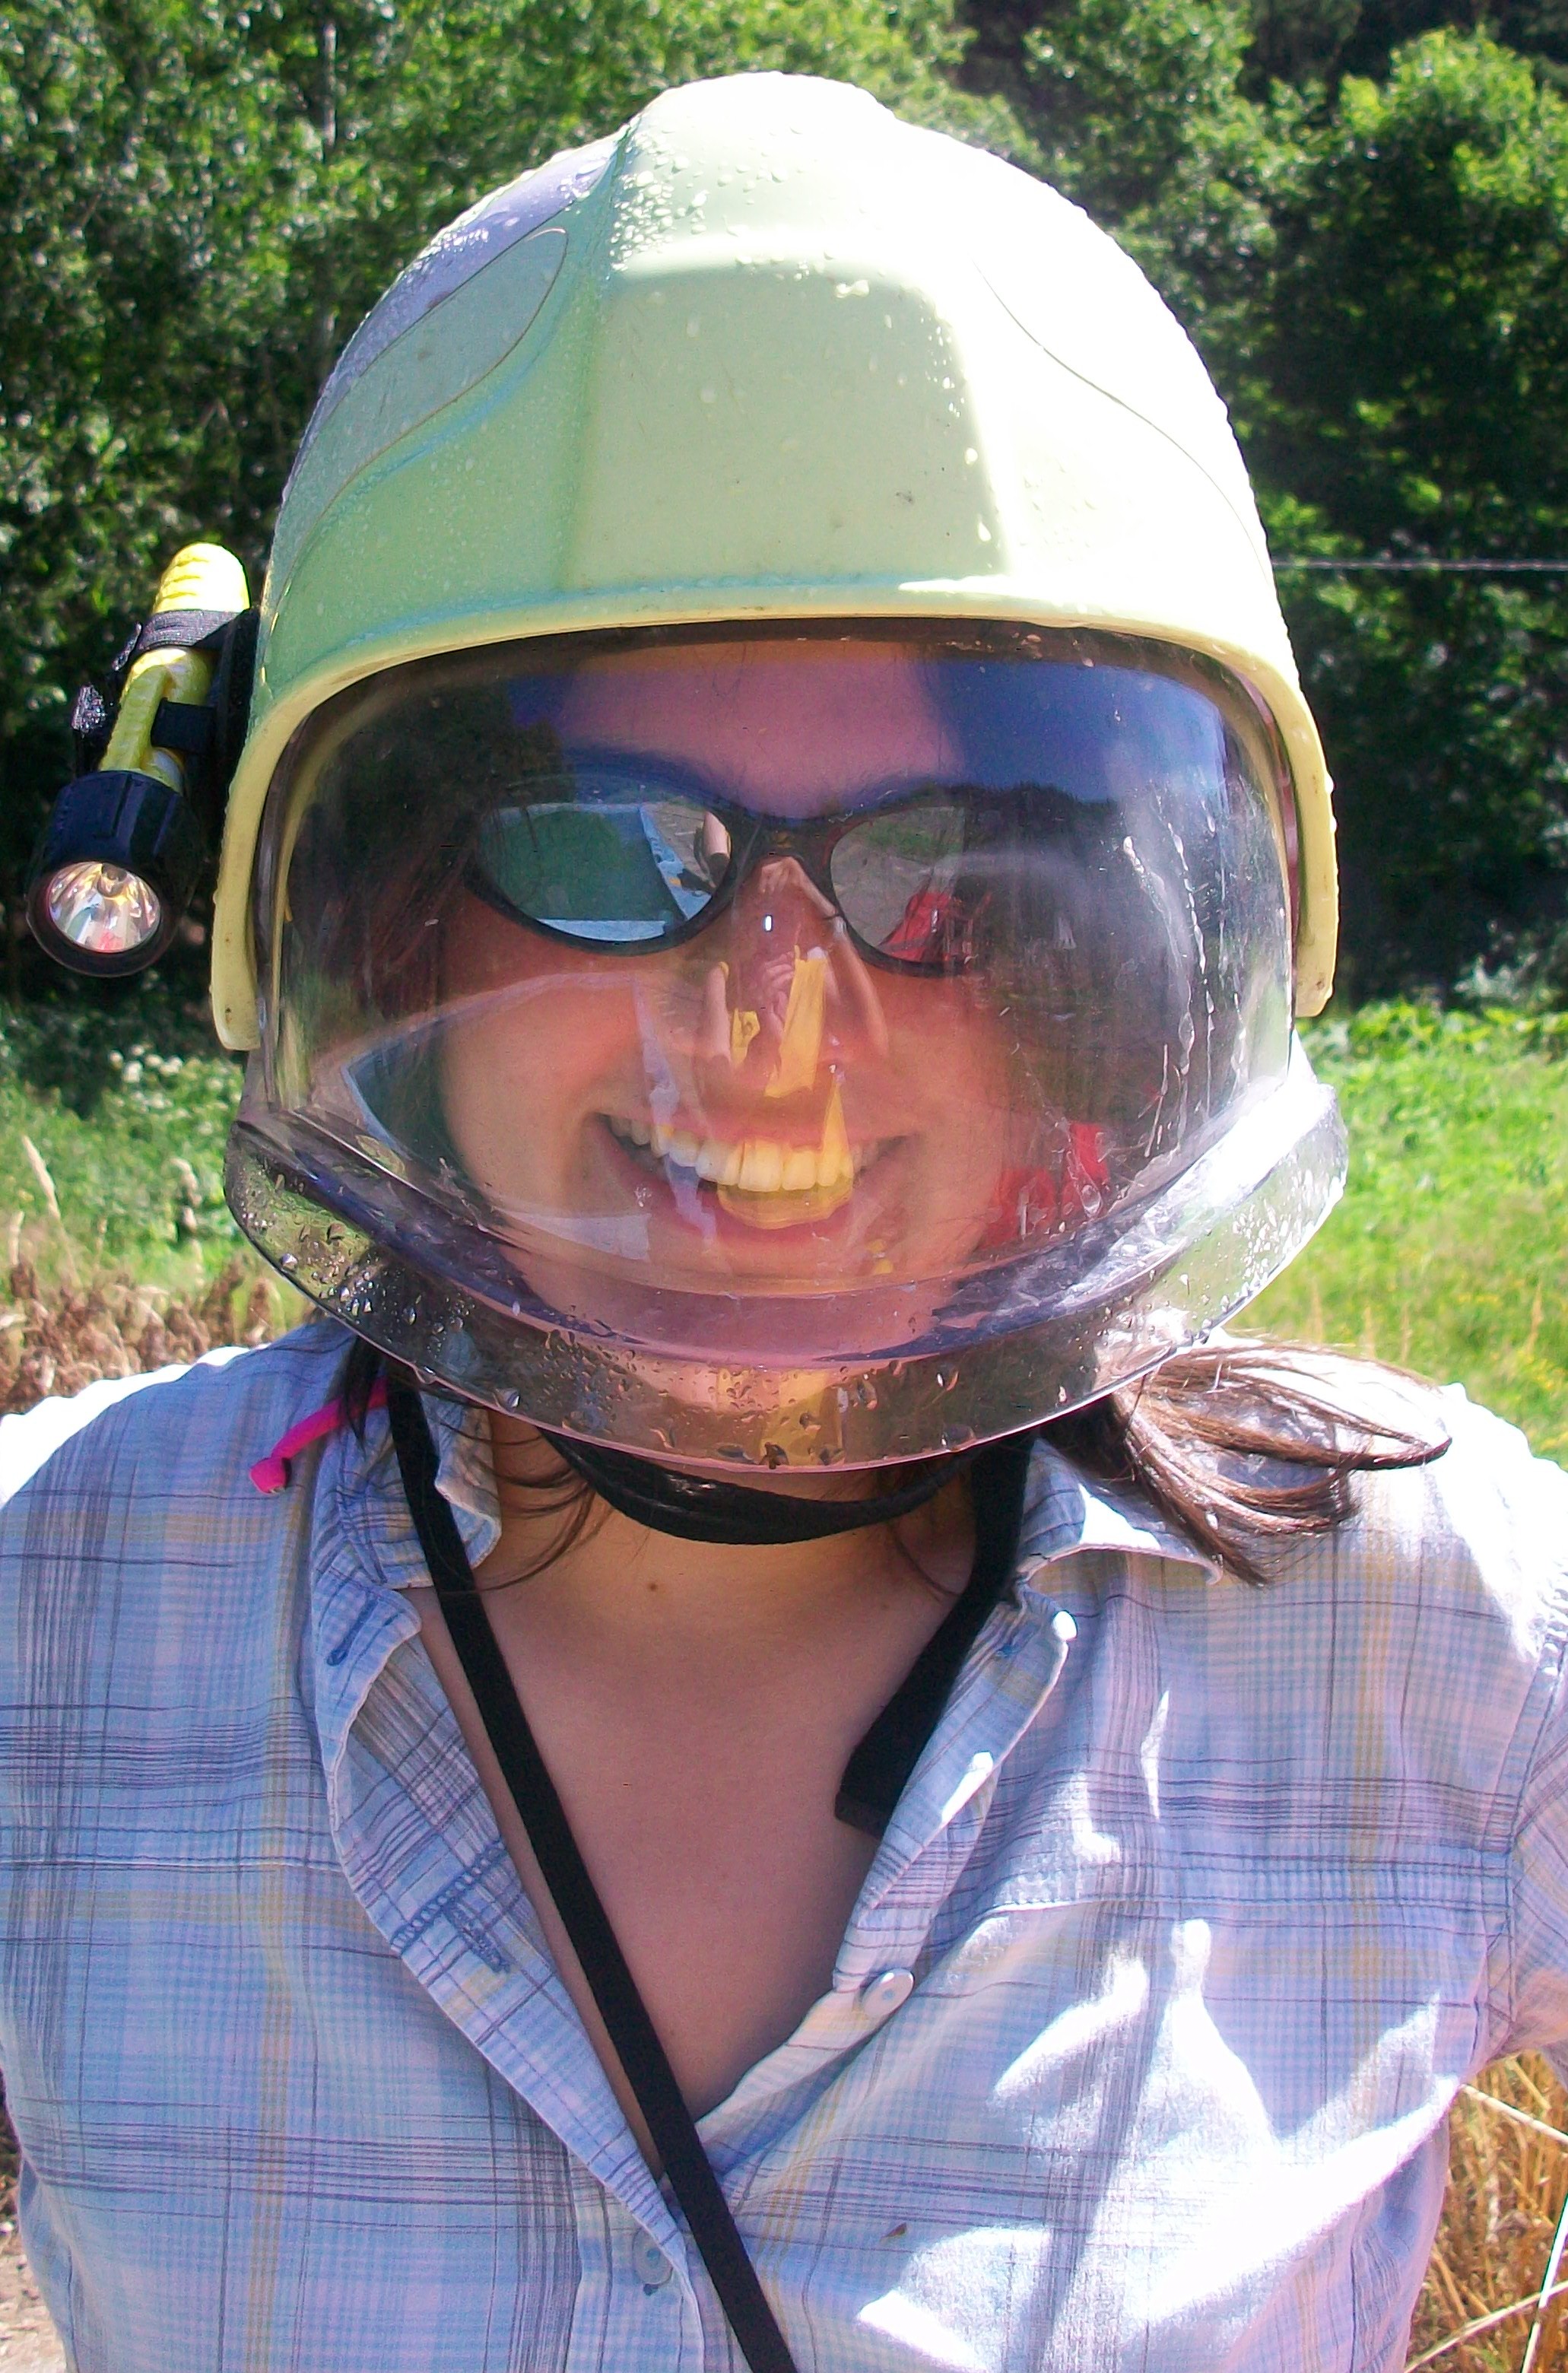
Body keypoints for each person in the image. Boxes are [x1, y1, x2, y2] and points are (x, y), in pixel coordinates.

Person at [2, 69, 1566, 2373]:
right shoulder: (52, 1610)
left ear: (1109, 981)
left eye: (940, 868)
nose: (768, 1035)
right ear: (392, 926)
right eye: (603, 849)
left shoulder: (1440, 1634)